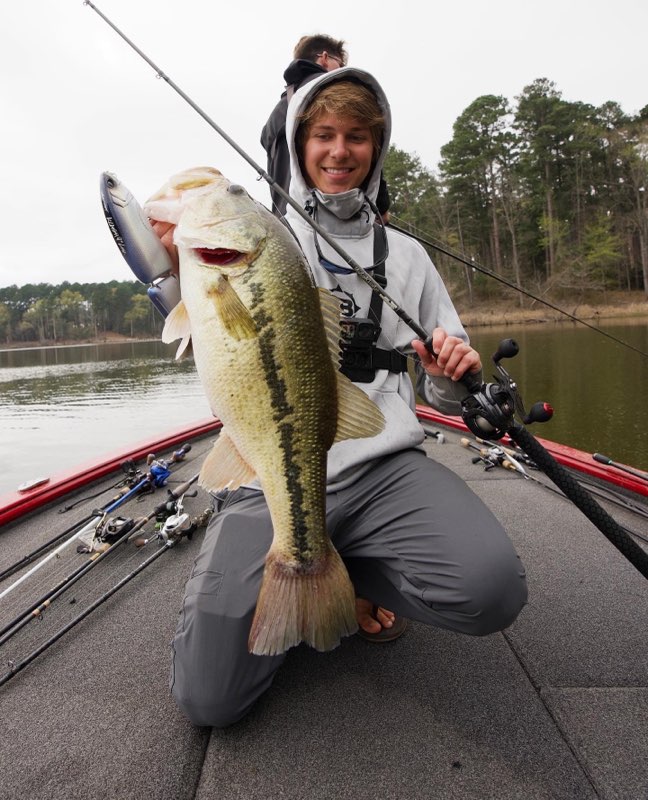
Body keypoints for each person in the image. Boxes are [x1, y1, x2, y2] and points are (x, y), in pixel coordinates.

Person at [166, 67, 528, 728]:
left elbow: (448, 397)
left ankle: (348, 574)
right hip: (266, 473)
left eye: (357, 136)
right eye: (324, 134)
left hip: (382, 463)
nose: (339, 150)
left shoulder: (411, 259)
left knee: (491, 591)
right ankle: (312, 578)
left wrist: (452, 369)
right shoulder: (266, 238)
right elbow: (183, 296)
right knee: (209, 700)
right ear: (300, 144)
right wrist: (172, 255)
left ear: (377, 147)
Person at [261, 35, 390, 220]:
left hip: (285, 224)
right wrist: (382, 208)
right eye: (340, 63)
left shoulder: (275, 116)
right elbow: (373, 160)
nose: (339, 151)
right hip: (332, 225)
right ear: (324, 57)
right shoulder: (332, 92)